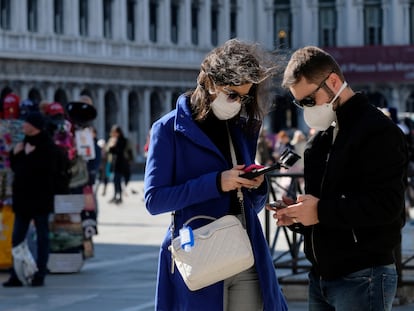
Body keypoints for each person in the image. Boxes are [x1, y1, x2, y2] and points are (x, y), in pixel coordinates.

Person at [144, 39, 288, 311]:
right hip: (198, 253)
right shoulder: (167, 129)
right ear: (209, 82)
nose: (238, 103)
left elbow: (251, 206)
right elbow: (154, 200)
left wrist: (255, 185)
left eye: (245, 97)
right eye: (232, 94)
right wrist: (216, 183)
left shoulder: (240, 128)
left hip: (244, 250)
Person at [271, 46, 408, 311]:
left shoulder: (378, 131)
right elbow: (328, 212)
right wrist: (299, 215)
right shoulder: (318, 141)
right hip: (320, 277)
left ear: (333, 81)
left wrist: (319, 211)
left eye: (309, 100)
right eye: (300, 103)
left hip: (363, 275)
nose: (306, 109)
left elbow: (388, 206)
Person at [3, 111, 59, 287]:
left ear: (34, 126)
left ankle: (39, 274)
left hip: (40, 200)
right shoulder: (23, 143)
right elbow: (18, 169)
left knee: (42, 237)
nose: (23, 125)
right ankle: (17, 274)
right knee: (17, 238)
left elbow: (43, 172)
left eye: (26, 123)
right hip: (23, 200)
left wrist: (29, 156)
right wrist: (15, 154)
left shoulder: (47, 145)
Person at [107, 124, 129, 204]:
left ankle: (119, 196)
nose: (114, 134)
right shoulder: (112, 140)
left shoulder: (123, 140)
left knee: (118, 180)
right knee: (114, 181)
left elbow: (119, 150)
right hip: (114, 163)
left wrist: (114, 145)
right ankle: (115, 195)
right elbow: (110, 151)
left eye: (115, 132)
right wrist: (111, 145)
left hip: (120, 163)